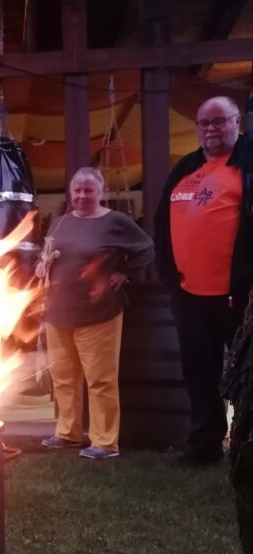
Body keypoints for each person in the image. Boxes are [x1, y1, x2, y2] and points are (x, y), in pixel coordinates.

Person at [155, 95, 253, 467]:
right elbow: (162, 224)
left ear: (237, 121)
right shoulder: (186, 167)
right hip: (190, 296)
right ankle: (204, 445)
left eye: (218, 121)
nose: (210, 129)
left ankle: (246, 447)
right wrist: (169, 276)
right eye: (203, 123)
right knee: (198, 372)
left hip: (240, 298)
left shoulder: (247, 163)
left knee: (247, 376)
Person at [36, 167, 154, 460]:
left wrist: (124, 273)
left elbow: (147, 248)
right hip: (58, 312)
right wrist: (42, 265)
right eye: (77, 190)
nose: (81, 195)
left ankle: (105, 441)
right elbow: (48, 254)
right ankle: (68, 433)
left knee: (100, 380)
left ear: (101, 192)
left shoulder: (116, 221)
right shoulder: (61, 223)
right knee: (63, 378)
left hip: (98, 313)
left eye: (88, 190)